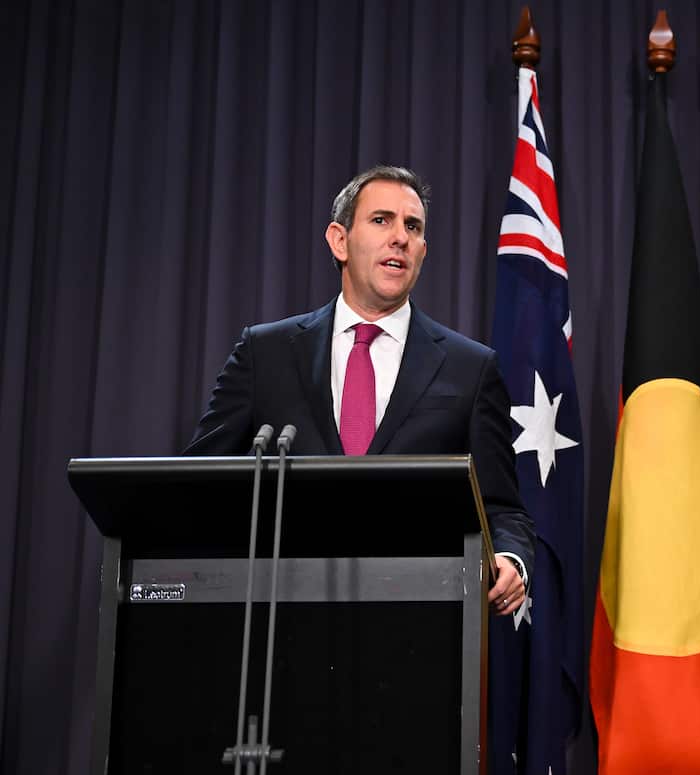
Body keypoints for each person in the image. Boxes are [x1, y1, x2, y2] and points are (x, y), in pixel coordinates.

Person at [186, 164, 531, 615]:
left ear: (423, 250)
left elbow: (502, 508)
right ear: (339, 240)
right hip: (281, 620)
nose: (400, 238)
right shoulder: (264, 353)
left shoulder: (471, 368)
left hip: (416, 623)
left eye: (413, 226)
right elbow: (199, 481)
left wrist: (509, 558)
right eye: (381, 220)